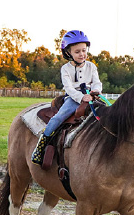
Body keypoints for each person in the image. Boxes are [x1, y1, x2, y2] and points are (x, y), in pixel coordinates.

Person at [31, 29, 102, 165]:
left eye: (84, 50)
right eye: (77, 52)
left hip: (93, 96)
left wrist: (96, 91)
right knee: (57, 118)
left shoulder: (91, 66)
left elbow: (97, 81)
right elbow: (68, 88)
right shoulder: (65, 69)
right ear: (68, 53)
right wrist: (81, 97)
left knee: (109, 113)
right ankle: (40, 147)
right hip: (74, 98)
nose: (82, 54)